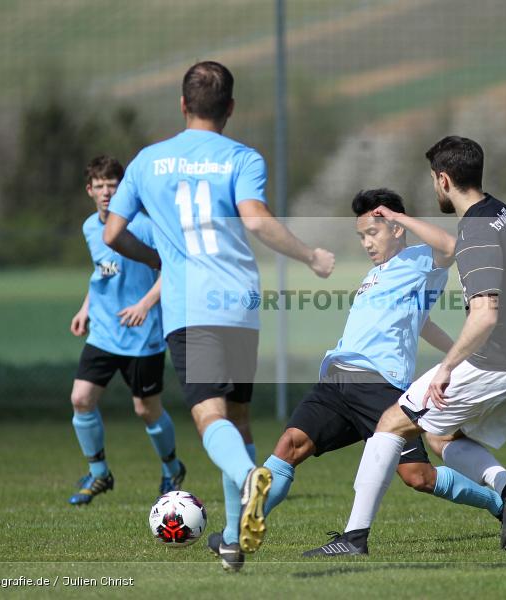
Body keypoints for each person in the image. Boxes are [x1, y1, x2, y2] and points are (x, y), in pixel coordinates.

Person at [103, 61, 335, 567]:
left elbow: (112, 234)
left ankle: (251, 476)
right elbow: (256, 220)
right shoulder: (243, 158)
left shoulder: (147, 162)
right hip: (241, 304)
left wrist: (157, 257)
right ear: (230, 108)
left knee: (210, 417)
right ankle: (232, 539)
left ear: (183, 105)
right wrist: (310, 255)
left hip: (193, 305)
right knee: (238, 416)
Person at [304, 136, 506, 557]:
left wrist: (450, 365)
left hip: (496, 361)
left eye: (434, 181)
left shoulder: (473, 231)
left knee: (390, 424)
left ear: (444, 179)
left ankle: (354, 538)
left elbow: (485, 315)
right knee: (440, 435)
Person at [67, 155, 183, 505]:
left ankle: (171, 467)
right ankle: (100, 473)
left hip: (142, 334)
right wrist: (86, 308)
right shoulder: (91, 227)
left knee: (145, 409)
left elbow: (173, 271)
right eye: (99, 186)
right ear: (89, 190)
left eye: (112, 185)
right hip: (103, 332)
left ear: (123, 189)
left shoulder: (147, 227)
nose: (105, 192)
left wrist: (145, 305)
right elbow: (104, 270)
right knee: (80, 399)